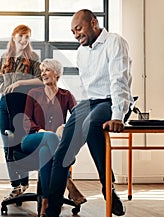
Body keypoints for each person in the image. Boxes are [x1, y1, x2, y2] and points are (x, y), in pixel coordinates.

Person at [43, 9, 133, 217]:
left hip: (111, 101)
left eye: (79, 29)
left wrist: (118, 115)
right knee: (62, 151)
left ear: (93, 23)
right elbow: (85, 87)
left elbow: (118, 80)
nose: (76, 35)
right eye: (73, 31)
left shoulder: (114, 42)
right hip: (90, 102)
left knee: (92, 125)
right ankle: (51, 211)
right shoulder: (81, 52)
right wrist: (76, 115)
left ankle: (107, 187)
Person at [0, 24, 43, 199]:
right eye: (21, 36)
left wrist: (20, 83)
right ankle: (16, 185)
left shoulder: (33, 57)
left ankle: (24, 180)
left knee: (20, 142)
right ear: (14, 36)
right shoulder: (5, 57)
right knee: (8, 142)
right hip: (4, 104)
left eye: (27, 37)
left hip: (23, 104)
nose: (24, 40)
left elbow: (40, 80)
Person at [21, 59, 86, 216]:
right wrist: (43, 131)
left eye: (47, 70)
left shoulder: (66, 95)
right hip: (31, 139)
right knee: (49, 139)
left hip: (51, 147)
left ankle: (46, 202)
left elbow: (77, 118)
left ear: (57, 74)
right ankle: (67, 181)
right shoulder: (34, 93)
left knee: (46, 153)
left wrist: (64, 127)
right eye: (42, 70)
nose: (43, 73)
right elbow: (25, 120)